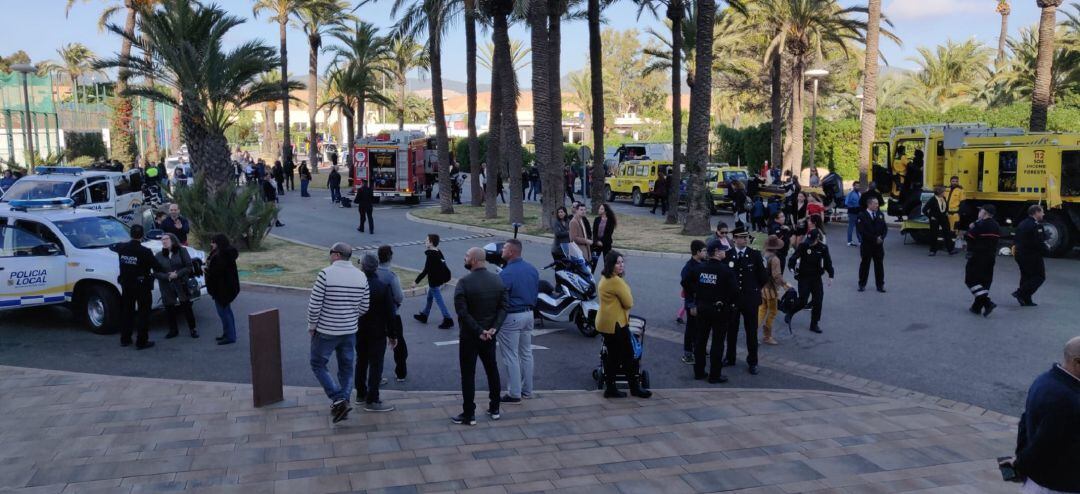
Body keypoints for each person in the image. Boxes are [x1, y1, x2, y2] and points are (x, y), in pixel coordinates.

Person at [1004, 336, 1080, 494]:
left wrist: (1020, 460)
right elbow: (1045, 444)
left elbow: (1025, 422)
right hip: (1058, 486)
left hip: (1037, 481)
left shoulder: (1043, 380)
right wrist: (1020, 465)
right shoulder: (1068, 399)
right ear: (1077, 362)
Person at [308, 242, 369, 423]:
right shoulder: (361, 276)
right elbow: (365, 306)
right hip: (350, 330)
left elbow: (314, 306)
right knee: (346, 368)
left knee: (318, 364)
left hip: (326, 330)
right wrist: (350, 317)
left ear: (336, 255)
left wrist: (312, 326)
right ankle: (343, 401)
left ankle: (338, 399)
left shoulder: (325, 274)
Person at [452, 247, 507, 425]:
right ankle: (495, 408)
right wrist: (493, 329)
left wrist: (478, 331)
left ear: (474, 260)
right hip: (489, 336)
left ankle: (469, 414)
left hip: (470, 336)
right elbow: (503, 307)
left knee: (468, 374)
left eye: (467, 256)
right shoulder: (497, 280)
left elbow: (462, 313)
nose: (465, 258)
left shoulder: (463, 282)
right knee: (492, 370)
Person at [596, 251, 652, 399]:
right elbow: (629, 302)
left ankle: (611, 388)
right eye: (617, 263)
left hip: (606, 322)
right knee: (628, 356)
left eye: (622, 262)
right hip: (616, 324)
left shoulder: (605, 278)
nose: (621, 265)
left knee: (613, 357)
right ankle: (634, 388)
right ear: (611, 265)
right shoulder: (616, 281)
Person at [686, 240, 736, 383]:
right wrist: (727, 302)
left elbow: (686, 283)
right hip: (719, 310)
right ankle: (715, 375)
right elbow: (734, 292)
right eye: (722, 250)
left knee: (700, 341)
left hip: (702, 308)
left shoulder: (699, 268)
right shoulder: (726, 270)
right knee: (717, 343)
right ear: (716, 252)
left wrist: (698, 294)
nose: (725, 252)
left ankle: (699, 371)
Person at [497, 239, 539, 404]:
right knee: (526, 353)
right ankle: (527, 390)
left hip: (512, 316)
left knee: (511, 355)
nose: (502, 250)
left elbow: (500, 298)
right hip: (529, 314)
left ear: (512, 252)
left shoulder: (506, 273)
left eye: (505, 248)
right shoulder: (532, 269)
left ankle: (514, 393)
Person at [355, 254, 398, 412]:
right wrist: (393, 335)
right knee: (376, 364)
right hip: (377, 331)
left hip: (358, 329)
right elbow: (390, 314)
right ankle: (373, 399)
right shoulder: (381, 286)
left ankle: (360, 393)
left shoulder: (357, 285)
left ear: (362, 267)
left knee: (361, 361)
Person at [725, 227, 767, 374]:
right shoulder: (728, 255)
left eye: (746, 238)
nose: (745, 240)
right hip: (733, 300)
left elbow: (763, 277)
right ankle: (730, 357)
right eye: (742, 238)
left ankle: (753, 361)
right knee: (731, 330)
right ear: (735, 239)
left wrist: (753, 289)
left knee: (751, 332)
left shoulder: (754, 255)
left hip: (750, 299)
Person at [110, 225, 158, 350]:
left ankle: (125, 339)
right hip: (142, 286)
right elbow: (156, 266)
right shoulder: (145, 252)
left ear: (130, 234)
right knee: (143, 313)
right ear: (142, 236)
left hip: (126, 285)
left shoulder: (122, 248)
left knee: (127, 312)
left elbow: (112, 246)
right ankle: (141, 341)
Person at [784, 229, 834, 334]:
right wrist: (792, 268)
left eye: (812, 240)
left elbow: (828, 262)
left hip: (816, 278)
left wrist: (831, 275)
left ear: (817, 239)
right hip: (804, 277)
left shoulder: (823, 248)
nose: (809, 242)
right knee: (803, 301)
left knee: (818, 300)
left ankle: (814, 323)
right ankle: (790, 312)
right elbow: (794, 257)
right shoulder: (804, 246)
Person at [154, 233, 198, 339]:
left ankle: (193, 329)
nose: (164, 241)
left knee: (186, 306)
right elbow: (156, 272)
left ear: (173, 240)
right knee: (169, 308)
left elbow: (189, 267)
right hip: (166, 285)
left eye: (166, 239)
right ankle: (173, 330)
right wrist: (167, 276)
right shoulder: (159, 255)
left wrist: (177, 274)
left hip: (181, 283)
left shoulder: (182, 251)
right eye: (162, 240)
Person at [375, 245, 408, 382]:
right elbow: (399, 296)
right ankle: (401, 372)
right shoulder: (391, 276)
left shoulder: (372, 273)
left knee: (376, 346)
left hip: (375, 315)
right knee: (399, 344)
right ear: (390, 257)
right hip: (392, 315)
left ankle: (376, 375)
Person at [964, 204, 1001, 317]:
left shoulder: (980, 225)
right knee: (985, 282)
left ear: (985, 213)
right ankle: (976, 307)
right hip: (990, 257)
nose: (978, 213)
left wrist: (971, 227)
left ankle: (987, 302)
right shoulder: (996, 225)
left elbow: (969, 237)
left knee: (971, 280)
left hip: (977, 256)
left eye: (980, 211)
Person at [414, 234, 455, 329]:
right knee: (429, 297)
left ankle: (448, 319)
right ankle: (424, 315)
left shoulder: (431, 255)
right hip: (438, 279)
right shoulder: (438, 251)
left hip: (434, 281)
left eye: (427, 240)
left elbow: (426, 270)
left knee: (439, 300)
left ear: (431, 243)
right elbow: (443, 264)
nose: (425, 241)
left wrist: (416, 282)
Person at [205, 233, 240, 345]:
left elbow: (217, 271)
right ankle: (228, 334)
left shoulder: (222, 255)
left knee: (224, 313)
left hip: (223, 289)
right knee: (226, 312)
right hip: (224, 288)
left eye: (213, 242)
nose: (211, 244)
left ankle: (230, 336)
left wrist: (207, 270)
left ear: (218, 243)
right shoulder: (224, 253)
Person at [1013, 205, 1049, 307]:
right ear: (1036, 213)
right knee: (1040, 276)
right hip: (1031, 255)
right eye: (1042, 212)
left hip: (1020, 253)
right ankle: (1020, 292)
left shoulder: (1022, 223)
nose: (1043, 214)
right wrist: (1047, 250)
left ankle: (1026, 300)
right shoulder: (1035, 226)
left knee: (1026, 276)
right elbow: (1038, 242)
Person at [679, 240, 708, 363]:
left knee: (701, 327)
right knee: (691, 328)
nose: (706, 253)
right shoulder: (689, 267)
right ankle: (688, 353)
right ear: (697, 252)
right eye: (704, 251)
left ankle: (699, 349)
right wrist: (695, 295)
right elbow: (685, 284)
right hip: (693, 302)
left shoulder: (704, 263)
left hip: (702, 302)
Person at [759, 235, 789, 344]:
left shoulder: (762, 254)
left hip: (762, 286)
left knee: (762, 309)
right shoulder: (775, 259)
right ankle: (767, 336)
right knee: (772, 311)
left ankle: (753, 331)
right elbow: (777, 276)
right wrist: (785, 285)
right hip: (771, 289)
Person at [856, 197, 887, 293]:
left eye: (877, 204)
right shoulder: (862, 215)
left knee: (879, 265)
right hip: (867, 245)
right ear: (869, 205)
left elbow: (885, 228)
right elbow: (862, 231)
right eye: (875, 204)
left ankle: (880, 285)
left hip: (878, 246)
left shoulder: (880, 214)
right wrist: (875, 238)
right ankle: (862, 284)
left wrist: (882, 237)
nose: (877, 205)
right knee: (865, 265)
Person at [922, 186, 957, 256]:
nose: (944, 193)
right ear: (939, 192)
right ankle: (933, 250)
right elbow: (924, 209)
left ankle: (950, 249)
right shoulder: (933, 199)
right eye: (943, 191)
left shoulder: (943, 198)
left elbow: (945, 206)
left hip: (943, 218)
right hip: (935, 218)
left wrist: (946, 212)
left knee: (947, 233)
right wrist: (930, 217)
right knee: (934, 234)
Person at [569, 202, 593, 266]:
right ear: (576, 210)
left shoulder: (582, 220)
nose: (583, 211)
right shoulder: (574, 222)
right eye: (581, 210)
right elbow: (573, 238)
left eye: (584, 210)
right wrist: (586, 241)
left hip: (585, 251)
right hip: (579, 252)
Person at [945, 175, 965, 240]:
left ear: (958, 182)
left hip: (955, 214)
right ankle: (948, 244)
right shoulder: (946, 189)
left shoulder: (960, 190)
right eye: (953, 181)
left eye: (956, 181)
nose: (955, 182)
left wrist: (960, 213)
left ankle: (953, 245)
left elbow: (962, 202)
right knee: (946, 229)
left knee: (954, 230)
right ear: (950, 181)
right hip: (947, 213)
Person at [844, 181, 862, 247]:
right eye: (856, 186)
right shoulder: (851, 194)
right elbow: (846, 203)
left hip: (858, 212)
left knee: (859, 227)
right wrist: (853, 205)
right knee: (851, 227)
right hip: (852, 212)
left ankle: (860, 241)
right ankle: (849, 241)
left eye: (858, 186)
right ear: (853, 186)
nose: (858, 187)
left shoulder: (859, 193)